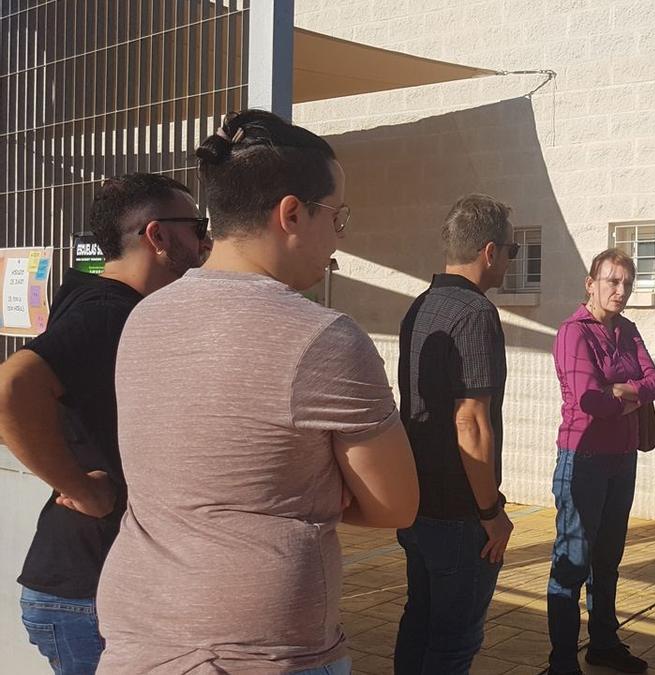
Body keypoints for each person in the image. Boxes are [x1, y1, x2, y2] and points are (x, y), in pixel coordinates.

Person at [95, 110, 419, 674]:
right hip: (260, 650)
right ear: (292, 213)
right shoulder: (322, 338)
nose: (339, 236)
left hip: (138, 629)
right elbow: (395, 504)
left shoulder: (145, 317)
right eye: (337, 217)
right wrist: (306, 496)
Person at [0, 173, 208, 675]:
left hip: (89, 589)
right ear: (157, 236)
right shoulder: (108, 313)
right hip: (87, 597)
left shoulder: (98, 296)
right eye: (197, 227)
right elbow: (11, 388)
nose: (206, 242)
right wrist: (78, 486)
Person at [394, 193, 515, 675]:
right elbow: (470, 421)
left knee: (420, 622)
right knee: (454, 644)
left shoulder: (422, 305)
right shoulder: (475, 313)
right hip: (460, 517)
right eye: (511, 251)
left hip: (417, 504)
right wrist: (490, 512)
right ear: (489, 252)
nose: (509, 262)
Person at [546, 249, 655, 675]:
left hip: (621, 459)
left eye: (627, 284)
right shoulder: (573, 333)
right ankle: (561, 660)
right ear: (590, 283)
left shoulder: (628, 330)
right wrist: (627, 400)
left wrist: (622, 391)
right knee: (573, 561)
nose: (620, 290)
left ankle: (603, 644)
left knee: (608, 559)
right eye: (612, 281)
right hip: (584, 459)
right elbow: (590, 399)